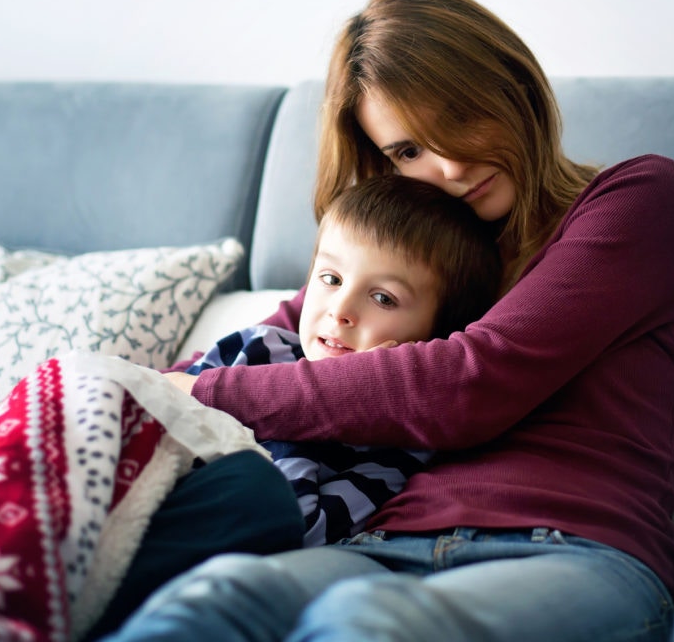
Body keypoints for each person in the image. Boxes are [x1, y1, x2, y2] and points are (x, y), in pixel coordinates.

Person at [93, 0, 674, 642]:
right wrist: (42, 417)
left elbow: (468, 385)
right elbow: (232, 358)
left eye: (460, 118)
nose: (448, 166)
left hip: (572, 549)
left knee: (364, 622)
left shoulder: (640, 198)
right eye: (407, 151)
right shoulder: (396, 269)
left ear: (514, 85)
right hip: (374, 544)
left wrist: (200, 391)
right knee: (217, 595)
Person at [183, 173, 503, 549]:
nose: (341, 310)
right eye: (331, 278)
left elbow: (300, 528)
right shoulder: (256, 346)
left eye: (383, 298)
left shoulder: (395, 446)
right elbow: (153, 415)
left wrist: (300, 411)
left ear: (433, 339)